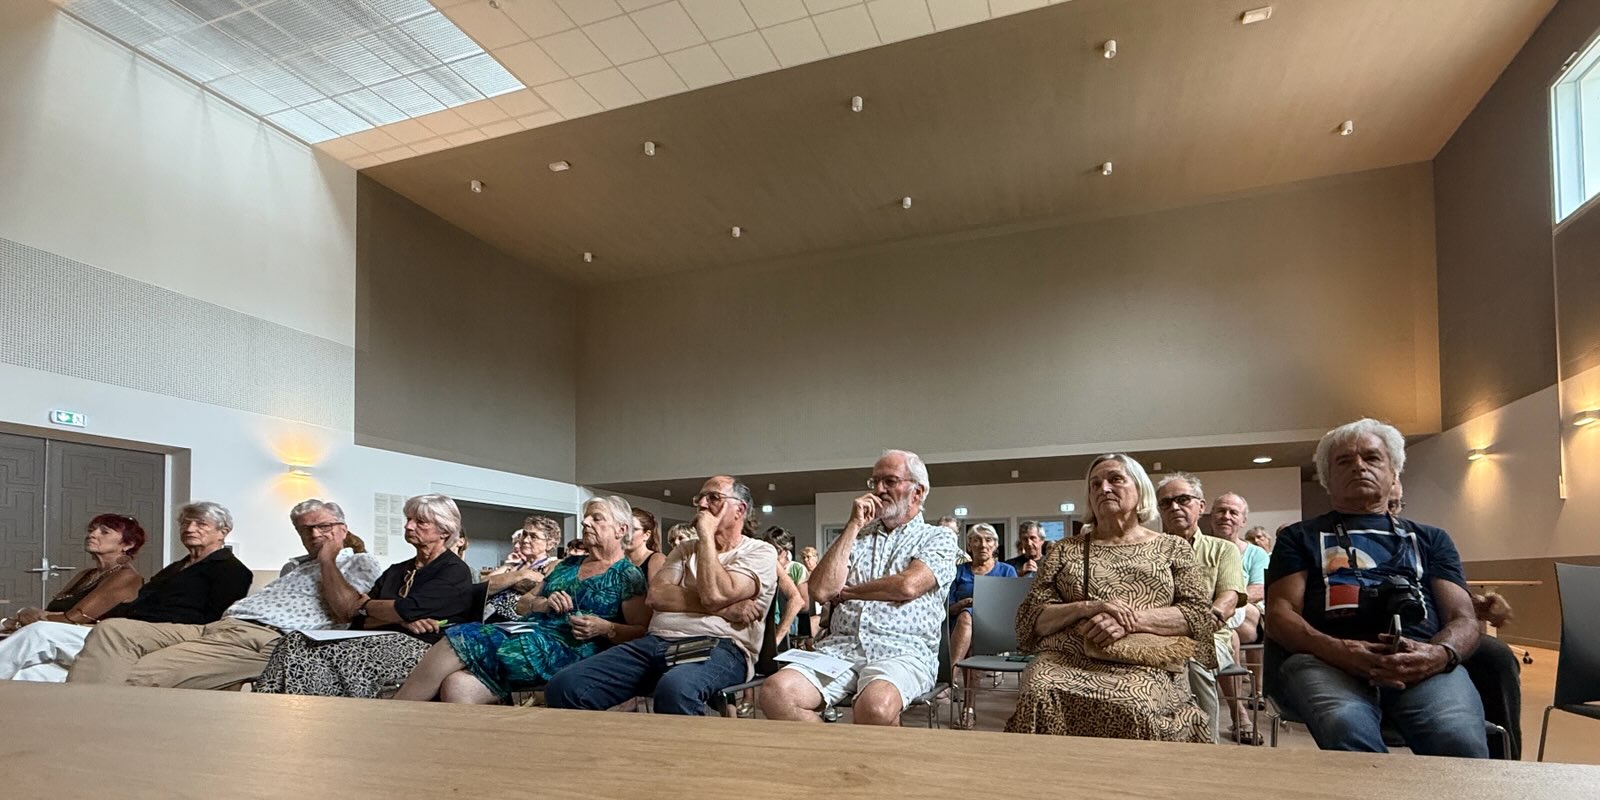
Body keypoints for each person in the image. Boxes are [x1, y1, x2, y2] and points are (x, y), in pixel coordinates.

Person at [1266, 418, 1488, 758]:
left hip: (1422, 661)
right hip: (1327, 660)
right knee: (1347, 727)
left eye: (1372, 458)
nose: (1359, 466)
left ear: (1393, 472)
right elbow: (1280, 615)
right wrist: (1340, 651)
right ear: (1326, 478)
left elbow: (1463, 617)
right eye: (1344, 461)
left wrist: (1438, 655)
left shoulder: (1431, 539)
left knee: (1457, 738)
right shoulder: (1299, 537)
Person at [68, 498, 384, 689]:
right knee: (113, 631)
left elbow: (346, 610)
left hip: (266, 639)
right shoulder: (295, 567)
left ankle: (81, 731)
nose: (315, 534)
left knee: (139, 674)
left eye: (324, 526)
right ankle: (78, 715)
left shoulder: (360, 562)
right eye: (305, 529)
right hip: (219, 627)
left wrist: (327, 559)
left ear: (342, 529)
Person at [1006, 454, 1212, 742]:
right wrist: (1088, 607)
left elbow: (1197, 615)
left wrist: (1129, 621)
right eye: (1095, 484)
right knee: (1039, 689)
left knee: (1134, 703)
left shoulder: (1172, 547)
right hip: (1068, 657)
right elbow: (1032, 618)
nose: (1104, 488)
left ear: (1140, 489)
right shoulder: (1065, 550)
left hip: (1144, 662)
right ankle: (1051, 770)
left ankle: (1126, 772)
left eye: (1115, 479)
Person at [544, 476, 776, 715]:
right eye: (700, 498)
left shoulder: (759, 551)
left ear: (740, 510)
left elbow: (716, 594)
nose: (702, 504)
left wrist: (706, 536)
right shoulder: (685, 549)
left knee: (676, 689)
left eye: (714, 498)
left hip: (719, 646)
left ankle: (695, 739)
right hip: (655, 643)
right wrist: (725, 609)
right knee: (565, 686)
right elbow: (656, 595)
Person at [760, 450, 959, 726]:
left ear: (918, 492)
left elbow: (908, 585)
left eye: (890, 481)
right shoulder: (856, 537)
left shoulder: (938, 538)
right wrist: (853, 525)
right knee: (775, 694)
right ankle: (838, 751)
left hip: (902, 651)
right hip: (841, 649)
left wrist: (849, 592)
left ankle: (861, 751)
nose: (879, 489)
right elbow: (820, 591)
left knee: (875, 707)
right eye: (874, 482)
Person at [395, 496, 649, 703]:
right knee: (458, 686)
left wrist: (606, 628)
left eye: (596, 518)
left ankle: (395, 712)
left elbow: (641, 631)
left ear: (621, 530)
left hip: (571, 652)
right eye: (586, 517)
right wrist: (545, 603)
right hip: (530, 633)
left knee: (461, 637)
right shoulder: (567, 565)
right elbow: (523, 603)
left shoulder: (627, 575)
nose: (585, 522)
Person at [253, 494, 476, 698]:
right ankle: (266, 707)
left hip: (424, 649)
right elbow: (358, 617)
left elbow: (403, 608)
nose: (408, 526)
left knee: (331, 655)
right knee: (294, 641)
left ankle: (316, 716)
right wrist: (400, 619)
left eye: (420, 522)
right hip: (381, 637)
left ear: (444, 531)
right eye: (408, 519)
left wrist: (370, 605)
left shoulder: (453, 570)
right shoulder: (397, 571)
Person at [0, 503, 250, 682]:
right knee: (29, 673)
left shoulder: (232, 570)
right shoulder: (176, 567)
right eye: (185, 523)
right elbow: (139, 603)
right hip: (122, 630)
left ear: (223, 532)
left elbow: (214, 621)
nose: (190, 528)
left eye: (201, 524)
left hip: (157, 637)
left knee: (41, 632)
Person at [1388, 480, 1523, 758]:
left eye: (1395, 504)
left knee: (1495, 655)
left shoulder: (1423, 539)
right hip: (1376, 634)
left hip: (1434, 634)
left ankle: (1503, 762)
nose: (1389, 512)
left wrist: (1475, 605)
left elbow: (1441, 594)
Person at [1155, 472, 1249, 744]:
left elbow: (1229, 597)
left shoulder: (1223, 550)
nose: (1174, 507)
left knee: (1192, 657)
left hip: (1209, 636)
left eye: (1183, 499)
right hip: (1155, 634)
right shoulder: (1149, 552)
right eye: (1166, 503)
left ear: (1201, 506)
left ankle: (1207, 746)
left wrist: (1200, 623)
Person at [0, 514, 148, 679]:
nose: (92, 535)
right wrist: (21, 617)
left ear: (128, 544)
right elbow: (52, 612)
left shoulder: (126, 576)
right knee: (27, 673)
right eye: (91, 530)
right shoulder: (86, 575)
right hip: (65, 638)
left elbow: (73, 618)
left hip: (97, 640)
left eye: (104, 532)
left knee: (39, 632)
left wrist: (29, 617)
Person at [948, 523, 1018, 728]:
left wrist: (983, 606)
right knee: (967, 621)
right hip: (961, 630)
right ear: (969, 545)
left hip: (995, 629)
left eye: (988, 540)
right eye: (977, 540)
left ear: (995, 545)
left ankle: (950, 674)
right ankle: (968, 710)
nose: (983, 545)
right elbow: (948, 608)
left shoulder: (1006, 571)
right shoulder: (958, 572)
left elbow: (1013, 607)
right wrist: (963, 604)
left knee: (967, 617)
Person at [482, 517, 561, 619]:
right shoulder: (513, 565)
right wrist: (523, 574)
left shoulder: (552, 564)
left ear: (550, 544)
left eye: (533, 536)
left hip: (518, 622)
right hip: (487, 617)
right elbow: (482, 586)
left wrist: (504, 581)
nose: (525, 540)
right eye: (524, 534)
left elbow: (544, 590)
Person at [627, 508, 667, 582]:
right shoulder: (617, 561)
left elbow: (657, 589)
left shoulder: (657, 559)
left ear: (647, 535)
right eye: (624, 528)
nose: (627, 534)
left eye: (633, 530)